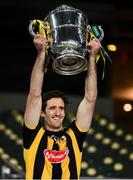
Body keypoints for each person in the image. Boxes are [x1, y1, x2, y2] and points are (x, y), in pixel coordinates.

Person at [22, 33, 101, 179]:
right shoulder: (33, 135)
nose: (58, 112)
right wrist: (41, 53)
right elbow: (34, 95)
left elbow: (90, 98)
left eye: (61, 108)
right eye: (52, 108)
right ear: (42, 113)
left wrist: (91, 57)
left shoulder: (74, 137)